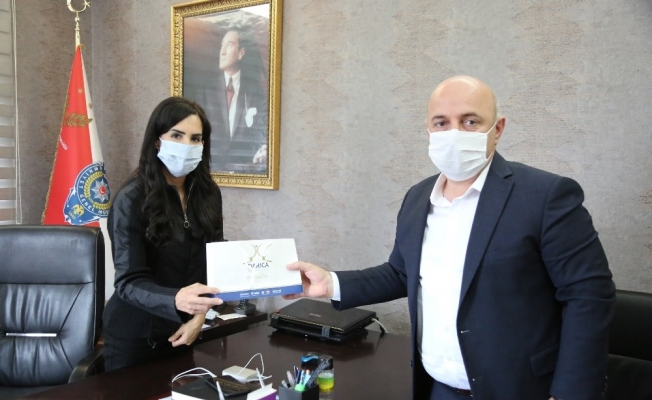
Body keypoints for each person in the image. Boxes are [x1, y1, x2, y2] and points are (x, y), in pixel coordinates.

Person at [284, 76, 615, 400]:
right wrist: (331, 284)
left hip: (520, 389)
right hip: (438, 388)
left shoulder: (545, 195)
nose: (454, 133)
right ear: (429, 130)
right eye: (441, 123)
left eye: (470, 121)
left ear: (497, 129)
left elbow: (588, 296)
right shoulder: (417, 197)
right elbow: (401, 273)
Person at [102, 97, 225, 371]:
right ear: (157, 141)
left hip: (184, 330)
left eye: (195, 139)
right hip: (135, 337)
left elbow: (213, 262)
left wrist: (198, 317)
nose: (186, 145)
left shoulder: (208, 194)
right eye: (176, 136)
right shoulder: (131, 199)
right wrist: (175, 299)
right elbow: (129, 281)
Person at [191, 26, 268, 172]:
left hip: (245, 169)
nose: (222, 52)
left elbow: (261, 131)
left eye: (229, 45)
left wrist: (262, 149)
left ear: (241, 53)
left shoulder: (255, 92)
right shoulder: (206, 90)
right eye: (222, 45)